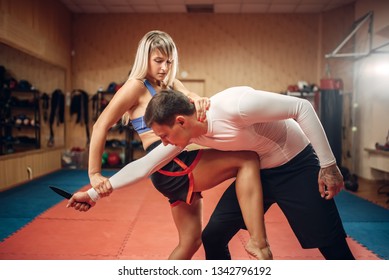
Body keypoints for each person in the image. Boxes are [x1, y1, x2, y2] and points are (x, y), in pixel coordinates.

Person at [67, 30, 272, 260]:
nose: (164, 67)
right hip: (169, 164)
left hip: (170, 164)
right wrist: (94, 174)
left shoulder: (169, 83)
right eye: (158, 61)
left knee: (191, 241)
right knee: (247, 160)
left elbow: (189, 95)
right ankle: (258, 242)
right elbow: (100, 125)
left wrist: (199, 99)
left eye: (169, 61)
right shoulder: (136, 86)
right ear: (144, 59)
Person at [141, 88, 355, 260]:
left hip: (296, 166)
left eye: (165, 135)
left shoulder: (235, 105)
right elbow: (148, 162)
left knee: (332, 246)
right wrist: (110, 183)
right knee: (213, 237)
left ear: (180, 121)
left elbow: (302, 106)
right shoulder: (189, 134)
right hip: (257, 173)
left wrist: (328, 164)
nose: (164, 142)